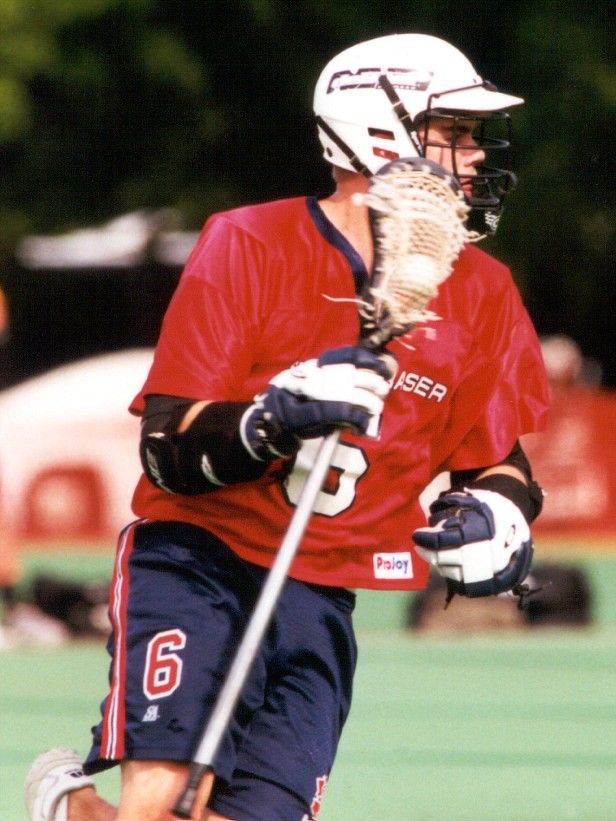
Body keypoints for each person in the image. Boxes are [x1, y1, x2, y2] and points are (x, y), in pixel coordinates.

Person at [26, 33, 549, 821]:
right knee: (164, 801)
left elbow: (498, 460)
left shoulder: (482, 291)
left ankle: (72, 810)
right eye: (456, 131)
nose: (475, 155)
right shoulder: (250, 243)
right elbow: (167, 449)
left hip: (323, 594)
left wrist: (499, 514)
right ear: (380, 129)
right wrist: (272, 420)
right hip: (200, 561)